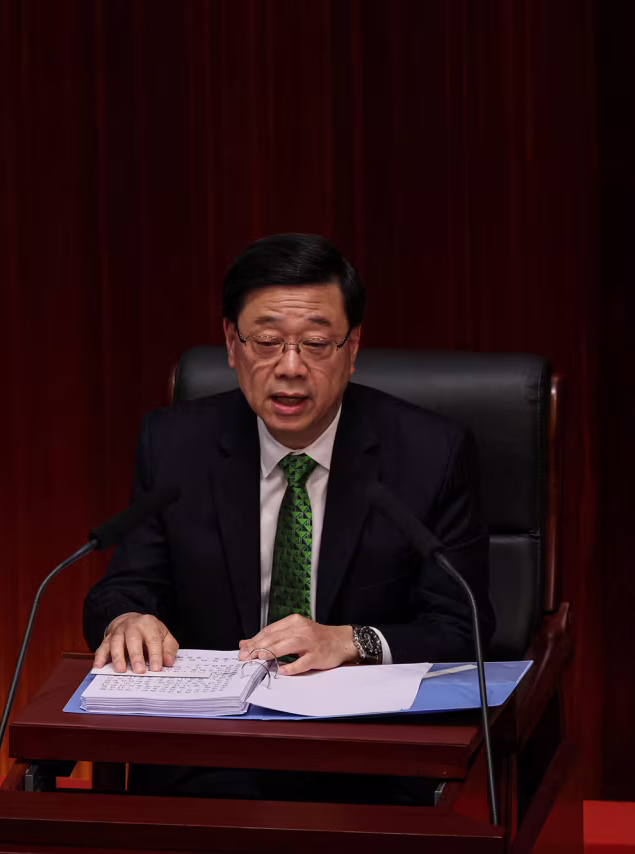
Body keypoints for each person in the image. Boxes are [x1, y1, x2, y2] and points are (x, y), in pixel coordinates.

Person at [81, 234, 494, 800]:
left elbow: (464, 625)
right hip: (208, 754)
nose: (291, 368)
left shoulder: (429, 454)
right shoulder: (175, 444)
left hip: (368, 757)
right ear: (232, 343)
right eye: (268, 342)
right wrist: (127, 619)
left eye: (317, 344)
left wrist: (349, 641)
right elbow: (127, 584)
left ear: (352, 349)